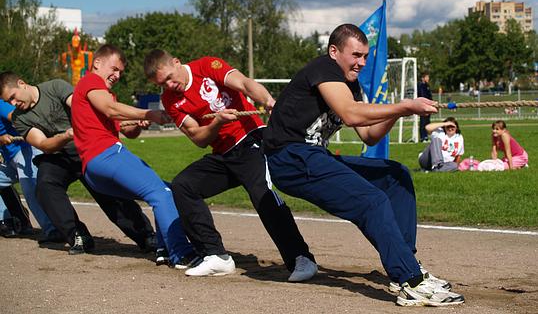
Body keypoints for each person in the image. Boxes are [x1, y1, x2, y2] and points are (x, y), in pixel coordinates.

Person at [263, 24, 464, 307]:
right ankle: (412, 281)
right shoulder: (324, 68)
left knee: (395, 175)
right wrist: (406, 106)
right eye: (356, 55)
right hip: (290, 159)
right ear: (334, 52)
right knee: (371, 201)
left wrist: (396, 114)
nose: (362, 63)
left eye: (366, 56)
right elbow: (351, 114)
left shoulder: (349, 83)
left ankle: (405, 265)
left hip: (312, 156)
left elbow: (369, 136)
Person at [143, 49, 317, 281]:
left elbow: (245, 84)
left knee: (261, 194)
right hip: (222, 154)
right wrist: (217, 121)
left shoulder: (206, 66)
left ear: (176, 62)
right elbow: (198, 138)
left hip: (250, 140)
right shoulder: (169, 99)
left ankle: (301, 258)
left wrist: (268, 101)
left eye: (169, 77)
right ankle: (215, 256)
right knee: (184, 185)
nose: (169, 85)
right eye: (162, 84)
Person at [0, 71, 157, 255]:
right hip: (59, 155)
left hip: (87, 148)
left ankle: (146, 236)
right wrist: (65, 135)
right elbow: (44, 145)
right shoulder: (20, 118)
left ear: (22, 83)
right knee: (45, 184)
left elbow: (85, 108)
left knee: (108, 192)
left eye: (13, 97)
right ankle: (78, 236)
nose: (13, 104)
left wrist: (132, 121)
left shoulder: (55, 87)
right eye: (8, 101)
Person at [71, 44, 195, 268]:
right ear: (97, 63)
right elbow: (111, 109)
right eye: (114, 68)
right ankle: (182, 253)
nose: (117, 75)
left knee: (168, 190)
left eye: (120, 72)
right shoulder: (91, 81)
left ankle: (164, 249)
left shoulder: (105, 93)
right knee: (162, 193)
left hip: (94, 170)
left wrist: (140, 123)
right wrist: (149, 113)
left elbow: (129, 131)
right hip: (106, 156)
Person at [0, 99, 63, 242]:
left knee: (32, 193)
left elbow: (18, 116)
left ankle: (53, 229)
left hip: (24, 151)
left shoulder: (0, 105)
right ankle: (7, 221)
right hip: (10, 159)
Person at [417, 73, 432, 142]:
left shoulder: (427, 85)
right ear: (423, 78)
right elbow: (422, 96)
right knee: (423, 121)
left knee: (427, 121)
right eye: (426, 77)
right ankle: (422, 137)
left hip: (429, 105)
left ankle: (426, 136)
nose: (428, 79)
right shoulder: (420, 86)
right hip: (423, 106)